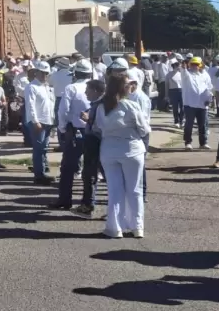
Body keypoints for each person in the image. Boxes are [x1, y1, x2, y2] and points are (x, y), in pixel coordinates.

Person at [93, 73, 150, 239]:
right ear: (121, 88)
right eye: (127, 85)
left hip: (109, 150)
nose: (130, 87)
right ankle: (137, 226)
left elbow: (98, 127)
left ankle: (115, 227)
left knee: (115, 190)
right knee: (134, 190)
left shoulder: (102, 107)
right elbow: (144, 129)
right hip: (131, 149)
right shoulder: (131, 106)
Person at [52, 59, 93, 210]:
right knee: (90, 169)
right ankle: (87, 202)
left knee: (68, 168)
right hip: (92, 132)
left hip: (75, 131)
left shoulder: (71, 88)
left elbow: (62, 111)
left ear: (75, 73)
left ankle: (65, 200)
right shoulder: (96, 87)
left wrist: (62, 129)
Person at [72, 78, 105, 218]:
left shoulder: (101, 105)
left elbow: (103, 126)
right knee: (89, 175)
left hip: (96, 142)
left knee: (91, 175)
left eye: (88, 90)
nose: (85, 93)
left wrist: (89, 119)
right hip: (95, 142)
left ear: (96, 91)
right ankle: (87, 205)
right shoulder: (98, 104)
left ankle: (88, 206)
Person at [25, 61, 55, 185]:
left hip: (47, 121)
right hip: (38, 122)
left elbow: (51, 105)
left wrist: (52, 121)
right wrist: (35, 121)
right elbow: (30, 106)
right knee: (38, 149)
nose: (44, 75)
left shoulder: (46, 87)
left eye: (46, 73)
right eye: (42, 73)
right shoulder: (32, 86)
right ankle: (39, 175)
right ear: (36, 72)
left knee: (43, 149)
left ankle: (42, 172)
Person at [179, 56, 213, 151]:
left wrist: (209, 99)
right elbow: (183, 71)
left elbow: (209, 88)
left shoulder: (205, 75)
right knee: (189, 124)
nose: (194, 66)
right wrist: (183, 66)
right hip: (190, 104)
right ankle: (188, 142)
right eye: (193, 64)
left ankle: (203, 143)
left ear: (200, 65)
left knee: (203, 124)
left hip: (202, 104)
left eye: (197, 64)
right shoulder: (186, 74)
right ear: (190, 65)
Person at [166, 58, 184, 127]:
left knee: (182, 108)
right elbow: (166, 85)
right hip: (173, 91)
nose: (178, 67)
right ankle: (176, 120)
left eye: (179, 65)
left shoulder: (182, 74)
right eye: (177, 66)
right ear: (173, 66)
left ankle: (181, 120)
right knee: (175, 107)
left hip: (181, 91)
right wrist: (166, 95)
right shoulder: (169, 75)